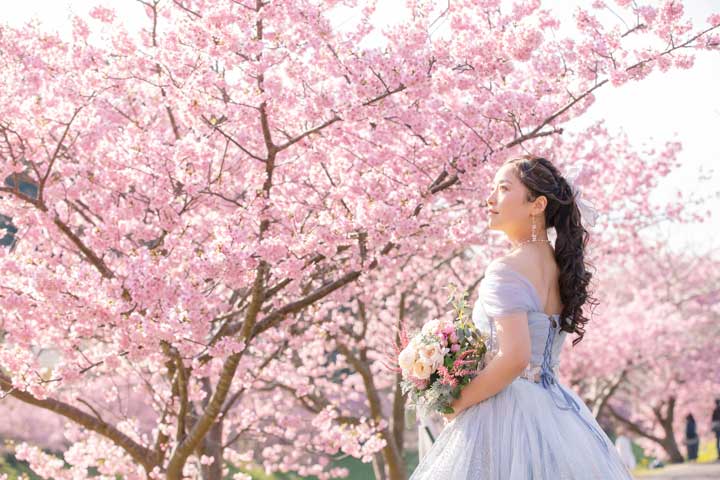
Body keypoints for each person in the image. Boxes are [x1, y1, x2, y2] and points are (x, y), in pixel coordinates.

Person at [409, 156, 633, 479]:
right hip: (556, 413)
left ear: (537, 205)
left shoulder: (506, 270)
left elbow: (515, 357)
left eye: (503, 189)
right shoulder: (561, 271)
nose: (490, 199)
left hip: (503, 413)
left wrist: (457, 403)